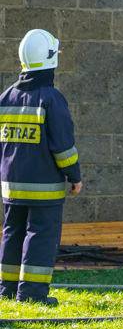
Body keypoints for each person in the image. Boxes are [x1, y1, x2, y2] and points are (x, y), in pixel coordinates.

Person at [0, 29, 82, 306]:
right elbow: (63, 147)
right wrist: (75, 176)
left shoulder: (6, 97)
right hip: (44, 187)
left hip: (11, 185)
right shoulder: (51, 98)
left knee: (13, 233)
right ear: (49, 60)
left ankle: (7, 289)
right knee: (41, 236)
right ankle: (32, 295)